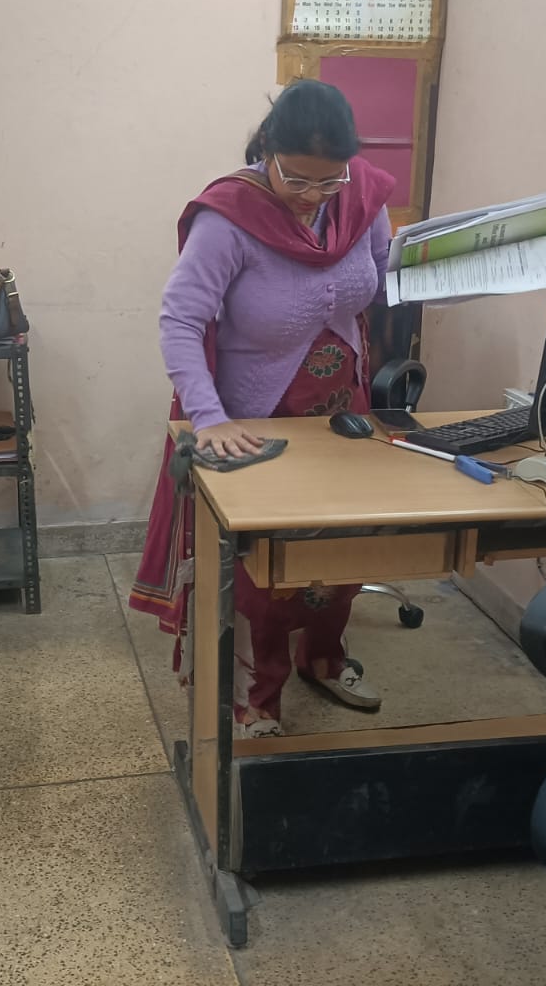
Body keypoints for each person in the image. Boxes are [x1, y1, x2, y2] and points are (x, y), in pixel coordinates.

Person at [131, 80, 394, 738]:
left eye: (329, 181)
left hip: (343, 411)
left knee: (343, 546)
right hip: (254, 420)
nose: (313, 195)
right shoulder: (230, 217)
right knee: (262, 572)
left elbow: (385, 280)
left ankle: (325, 658)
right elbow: (180, 321)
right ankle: (255, 694)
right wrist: (209, 418)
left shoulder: (362, 198)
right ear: (266, 152)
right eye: (296, 178)